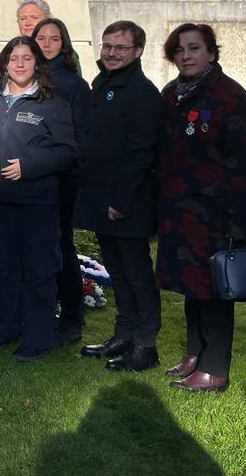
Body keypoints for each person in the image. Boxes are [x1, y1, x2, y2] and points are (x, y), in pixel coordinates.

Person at [155, 23, 246, 393]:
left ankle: (214, 369)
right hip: (179, 212)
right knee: (191, 286)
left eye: (194, 48)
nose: (186, 55)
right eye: (180, 49)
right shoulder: (171, 95)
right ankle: (193, 353)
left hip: (218, 214)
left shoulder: (230, 97)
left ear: (212, 53)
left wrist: (242, 222)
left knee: (215, 290)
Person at [0, 37, 76, 362]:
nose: (19, 64)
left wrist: (29, 166)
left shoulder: (52, 101)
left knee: (39, 271)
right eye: (13, 58)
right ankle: (9, 325)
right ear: (4, 62)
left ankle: (38, 337)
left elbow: (68, 151)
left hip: (36, 203)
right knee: (3, 269)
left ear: (36, 63)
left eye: (26, 58)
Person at [74, 20, 163, 371]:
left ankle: (146, 344)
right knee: (118, 272)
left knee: (137, 274)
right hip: (101, 199)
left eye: (120, 48)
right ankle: (124, 334)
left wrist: (121, 202)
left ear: (137, 51)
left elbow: (141, 153)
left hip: (127, 203)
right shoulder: (106, 84)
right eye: (107, 46)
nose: (111, 53)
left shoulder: (141, 93)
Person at [31, 17, 91, 344]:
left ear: (63, 44)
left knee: (60, 247)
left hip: (60, 179)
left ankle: (70, 317)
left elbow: (80, 136)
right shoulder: (25, 78)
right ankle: (42, 309)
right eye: (42, 38)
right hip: (28, 178)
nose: (48, 43)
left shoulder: (73, 85)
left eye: (55, 38)